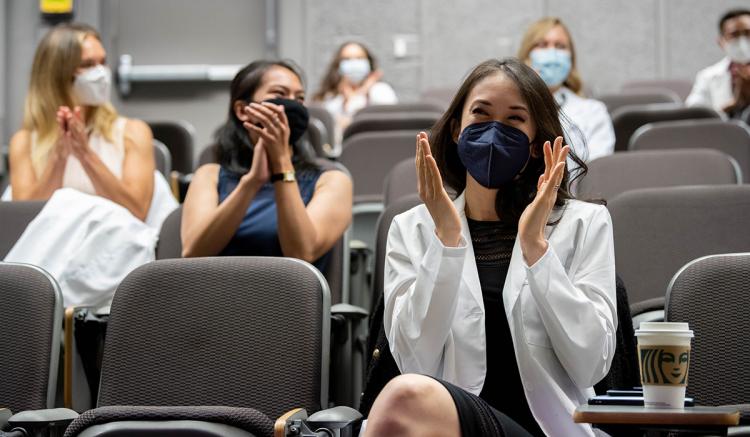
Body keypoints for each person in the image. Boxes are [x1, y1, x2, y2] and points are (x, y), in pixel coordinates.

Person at [362, 58, 617, 437]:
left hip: (549, 429)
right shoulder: (412, 229)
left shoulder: (583, 223)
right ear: (455, 130)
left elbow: (590, 364)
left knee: (404, 400)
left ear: (534, 145)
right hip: (445, 424)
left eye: (515, 120)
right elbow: (415, 362)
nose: (494, 132)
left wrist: (537, 249)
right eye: (480, 115)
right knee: (407, 397)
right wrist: (446, 242)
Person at [4, 23, 176, 310]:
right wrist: (59, 157)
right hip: (54, 257)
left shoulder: (133, 132)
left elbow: (136, 209)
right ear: (59, 75)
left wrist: (85, 155)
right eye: (87, 64)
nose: (100, 72)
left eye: (102, 62)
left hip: (115, 257)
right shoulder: (25, 141)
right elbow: (27, 221)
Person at [181, 60, 352, 271]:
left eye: (299, 98)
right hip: (217, 298)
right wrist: (252, 183)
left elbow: (301, 254)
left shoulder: (331, 180)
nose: (291, 105)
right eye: (279, 95)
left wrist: (281, 166)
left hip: (290, 300)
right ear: (243, 110)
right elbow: (193, 253)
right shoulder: (210, 175)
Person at [518, 17, 615, 163]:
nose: (552, 54)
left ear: (571, 58)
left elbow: (597, 174)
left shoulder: (593, 112)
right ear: (527, 56)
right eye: (543, 45)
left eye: (560, 46)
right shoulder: (509, 109)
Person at [313, 42, 397, 144]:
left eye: (359, 58)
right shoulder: (330, 98)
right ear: (338, 65)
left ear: (368, 63)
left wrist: (358, 97)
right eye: (347, 59)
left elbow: (386, 123)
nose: (353, 63)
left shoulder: (381, 91)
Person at [686, 9, 750, 115]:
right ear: (721, 42)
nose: (742, 41)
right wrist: (733, 107)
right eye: (734, 35)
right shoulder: (707, 76)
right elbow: (693, 115)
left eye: (748, 33)